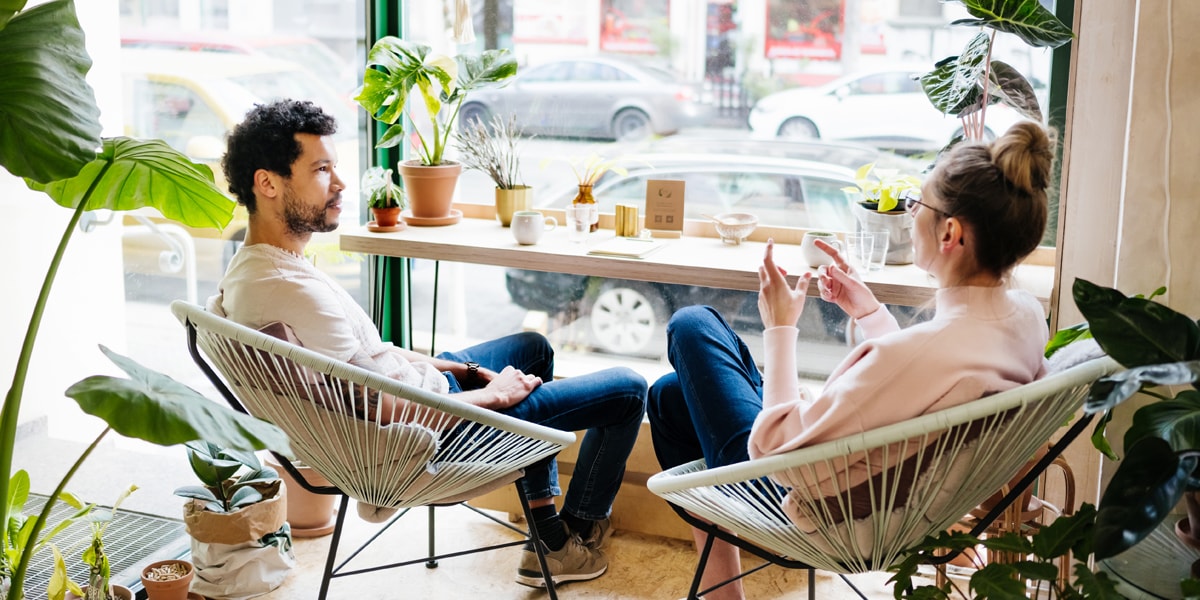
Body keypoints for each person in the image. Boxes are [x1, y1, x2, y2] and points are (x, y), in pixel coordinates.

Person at [210, 99, 648, 588]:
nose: (340, 183)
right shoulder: (287, 289)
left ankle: (547, 534)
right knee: (630, 390)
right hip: (434, 433)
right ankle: (571, 531)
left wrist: (457, 370)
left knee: (531, 347)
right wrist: (492, 397)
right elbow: (382, 404)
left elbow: (367, 362)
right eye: (321, 169)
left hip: (425, 399)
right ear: (268, 183)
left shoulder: (259, 269)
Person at [648, 121, 1054, 600]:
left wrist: (780, 327)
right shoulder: (1024, 317)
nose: (910, 214)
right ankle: (722, 591)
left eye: (917, 204)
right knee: (671, 397)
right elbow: (927, 381)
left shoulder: (915, 354)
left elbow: (774, 452)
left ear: (950, 232)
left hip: (814, 510)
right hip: (886, 499)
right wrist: (871, 313)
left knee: (693, 325)